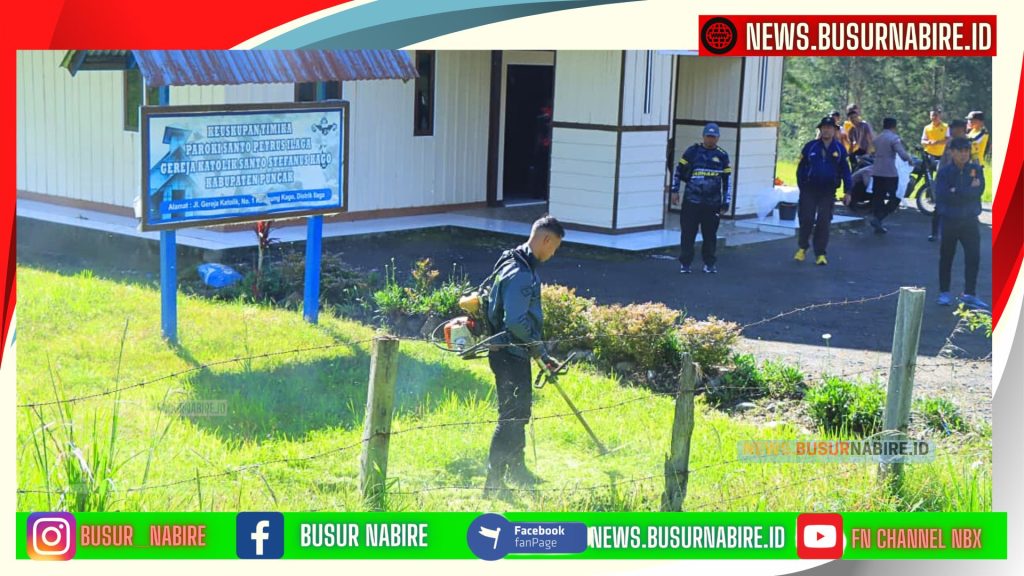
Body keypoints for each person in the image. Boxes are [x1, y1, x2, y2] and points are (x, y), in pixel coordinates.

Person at [483, 215, 564, 494]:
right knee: (511, 416)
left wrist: (538, 353)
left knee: (519, 414)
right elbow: (516, 321)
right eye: (554, 248)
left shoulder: (511, 258)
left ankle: (517, 469)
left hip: (508, 350)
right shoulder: (521, 274)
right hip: (510, 353)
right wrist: (539, 349)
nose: (553, 254)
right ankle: (493, 482)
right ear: (546, 240)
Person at [671, 123, 731, 274]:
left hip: (712, 203)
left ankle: (709, 263)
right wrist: (675, 191)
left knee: (710, 235)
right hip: (692, 201)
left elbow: (727, 181)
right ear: (703, 136)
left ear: (718, 138)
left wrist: (726, 201)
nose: (710, 139)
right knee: (688, 233)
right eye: (708, 136)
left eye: (714, 137)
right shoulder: (692, 151)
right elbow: (678, 172)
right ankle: (685, 263)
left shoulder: (722, 155)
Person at [933, 137, 987, 309]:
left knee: (973, 257)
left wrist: (957, 191)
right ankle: (944, 293)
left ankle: (969, 294)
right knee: (947, 257)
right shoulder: (945, 172)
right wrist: (965, 192)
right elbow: (943, 196)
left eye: (966, 150)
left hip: (970, 221)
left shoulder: (976, 169)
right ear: (952, 152)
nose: (964, 154)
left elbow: (978, 191)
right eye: (960, 151)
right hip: (950, 220)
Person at [795, 117, 853, 266]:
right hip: (809, 189)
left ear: (834, 130)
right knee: (806, 218)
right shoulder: (810, 147)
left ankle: (820, 253)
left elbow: (846, 171)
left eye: (829, 128)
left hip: (827, 191)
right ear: (820, 130)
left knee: (823, 221)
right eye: (824, 128)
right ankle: (802, 248)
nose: (826, 130)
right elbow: (800, 169)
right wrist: (802, 187)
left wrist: (848, 191)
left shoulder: (839, 149)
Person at [868, 117, 915, 234]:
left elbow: (871, 152)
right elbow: (902, 153)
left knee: (878, 197)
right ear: (894, 126)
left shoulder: (877, 138)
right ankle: (879, 218)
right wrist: (909, 159)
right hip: (889, 172)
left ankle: (877, 223)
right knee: (895, 197)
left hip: (877, 171)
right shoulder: (894, 138)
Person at [932, 119, 972, 241]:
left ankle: (957, 234)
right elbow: (944, 160)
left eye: (953, 128)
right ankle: (935, 233)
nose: (951, 130)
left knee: (959, 206)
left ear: (960, 129)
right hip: (945, 177)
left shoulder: (967, 142)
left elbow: (970, 161)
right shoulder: (950, 141)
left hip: (959, 178)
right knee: (940, 205)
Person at [847, 106, 874, 172]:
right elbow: (851, 145)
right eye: (851, 118)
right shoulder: (851, 130)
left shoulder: (864, 126)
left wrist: (867, 154)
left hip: (868, 151)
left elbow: (870, 141)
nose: (853, 119)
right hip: (860, 151)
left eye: (854, 117)